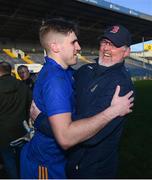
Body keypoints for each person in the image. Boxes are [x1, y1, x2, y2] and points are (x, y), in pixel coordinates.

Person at [20, 18, 133, 179]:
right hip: (57, 161)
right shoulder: (83, 70)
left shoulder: (121, 84)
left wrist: (40, 120)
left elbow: (86, 136)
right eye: (105, 42)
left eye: (114, 44)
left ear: (127, 51)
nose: (107, 48)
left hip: (93, 168)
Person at [0, 61, 32, 178]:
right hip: (21, 129)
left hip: (3, 133)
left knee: (9, 161)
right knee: (22, 159)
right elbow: (31, 105)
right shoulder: (22, 86)